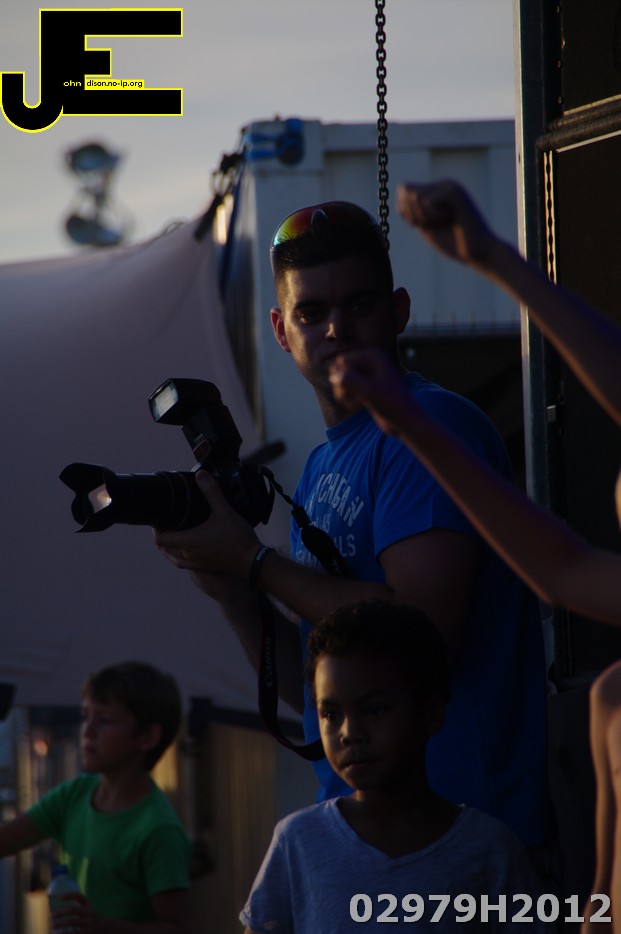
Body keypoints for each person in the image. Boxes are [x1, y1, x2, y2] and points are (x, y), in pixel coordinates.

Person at [153, 199, 548, 847]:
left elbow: (422, 636)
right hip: (363, 839)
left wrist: (254, 562)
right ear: (282, 331)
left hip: (459, 837)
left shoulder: (430, 427)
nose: (336, 328)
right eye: (311, 313)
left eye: (358, 305)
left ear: (398, 311)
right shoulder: (319, 468)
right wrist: (234, 590)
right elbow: (320, 692)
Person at [327, 178, 621, 932]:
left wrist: (496, 261)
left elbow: (563, 569)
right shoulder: (612, 699)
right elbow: (560, 571)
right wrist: (489, 257)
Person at [240, 600, 548, 934]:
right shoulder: (298, 842)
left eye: (374, 710)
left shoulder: (488, 849)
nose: (349, 733)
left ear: (431, 712)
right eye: (331, 714)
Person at [0, 660, 191, 933]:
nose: (87, 731)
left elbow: (176, 929)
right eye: (85, 715)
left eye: (104, 720)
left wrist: (103, 926)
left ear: (147, 737)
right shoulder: (75, 794)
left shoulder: (159, 829)